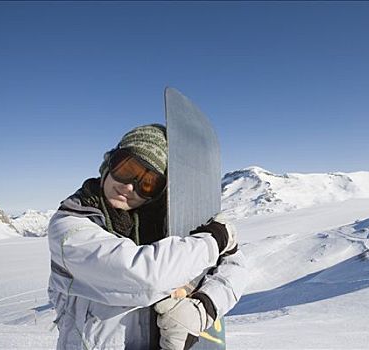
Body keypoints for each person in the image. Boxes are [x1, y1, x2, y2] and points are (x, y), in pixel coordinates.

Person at [47, 124, 247, 350]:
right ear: (108, 164)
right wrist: (215, 240)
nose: (130, 186)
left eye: (148, 183)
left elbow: (235, 265)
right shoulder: (69, 228)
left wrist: (205, 307)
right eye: (126, 169)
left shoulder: (166, 225)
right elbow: (144, 275)